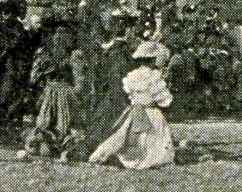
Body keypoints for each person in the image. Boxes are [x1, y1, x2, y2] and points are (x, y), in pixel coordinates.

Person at [90, 40, 174, 170]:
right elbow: (165, 100)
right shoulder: (155, 76)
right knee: (153, 136)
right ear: (153, 60)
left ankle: (112, 156)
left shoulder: (132, 75)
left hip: (134, 110)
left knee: (124, 133)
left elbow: (129, 94)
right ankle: (150, 158)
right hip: (151, 111)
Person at [22, 25, 82, 160]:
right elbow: (34, 78)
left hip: (63, 93)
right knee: (46, 122)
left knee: (62, 124)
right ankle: (49, 143)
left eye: (63, 33)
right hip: (50, 93)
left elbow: (79, 81)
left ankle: (64, 146)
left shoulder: (74, 55)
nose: (59, 37)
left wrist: (71, 93)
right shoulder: (45, 55)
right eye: (57, 33)